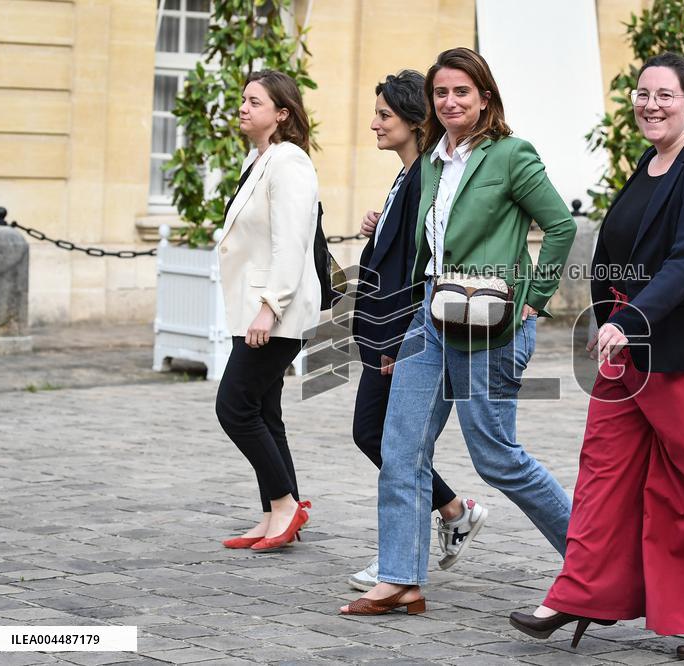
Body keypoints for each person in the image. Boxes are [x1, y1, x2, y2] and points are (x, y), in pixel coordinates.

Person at [508, 52, 684, 661]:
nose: (650, 104)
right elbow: (620, 253)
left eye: (665, 95)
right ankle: (580, 591)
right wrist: (607, 317)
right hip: (627, 346)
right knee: (603, 474)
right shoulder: (648, 163)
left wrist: (631, 318)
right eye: (642, 94)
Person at [340, 47, 576, 616]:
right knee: (400, 447)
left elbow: (561, 226)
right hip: (430, 315)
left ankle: (594, 558)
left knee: (496, 457)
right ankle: (400, 578)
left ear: (485, 98)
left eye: (461, 92)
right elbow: (424, 248)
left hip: (491, 323)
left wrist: (533, 300)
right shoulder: (429, 164)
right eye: (441, 93)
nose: (450, 102)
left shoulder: (511, 156)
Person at [347, 70, 487, 591]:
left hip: (402, 332)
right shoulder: (407, 178)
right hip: (388, 331)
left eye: (385, 115)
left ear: (411, 120)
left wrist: (395, 341)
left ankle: (418, 544)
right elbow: (396, 252)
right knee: (388, 438)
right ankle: (447, 515)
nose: (375, 124)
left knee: (383, 437)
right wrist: (376, 225)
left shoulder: (425, 179)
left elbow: (415, 269)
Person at [215, 70, 321, 553]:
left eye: (254, 101)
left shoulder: (289, 162)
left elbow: (292, 243)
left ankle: (284, 505)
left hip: (275, 312)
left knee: (234, 407)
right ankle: (275, 513)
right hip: (255, 309)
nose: (243, 107)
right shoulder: (258, 161)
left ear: (282, 113)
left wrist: (269, 308)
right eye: (243, 99)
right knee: (264, 410)